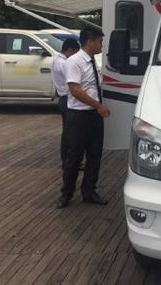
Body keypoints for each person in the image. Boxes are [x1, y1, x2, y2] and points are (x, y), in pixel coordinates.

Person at [57, 27, 110, 209]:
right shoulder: (75, 61)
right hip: (79, 116)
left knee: (94, 156)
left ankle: (89, 191)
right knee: (74, 157)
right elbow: (75, 89)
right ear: (90, 41)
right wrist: (99, 105)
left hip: (93, 116)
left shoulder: (92, 60)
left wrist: (97, 108)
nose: (102, 45)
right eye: (100, 41)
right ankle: (66, 193)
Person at [50, 38, 80, 170]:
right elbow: (72, 82)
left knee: (68, 132)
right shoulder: (64, 64)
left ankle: (68, 161)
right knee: (69, 133)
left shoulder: (57, 61)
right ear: (69, 50)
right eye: (75, 53)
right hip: (67, 99)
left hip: (63, 98)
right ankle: (68, 162)